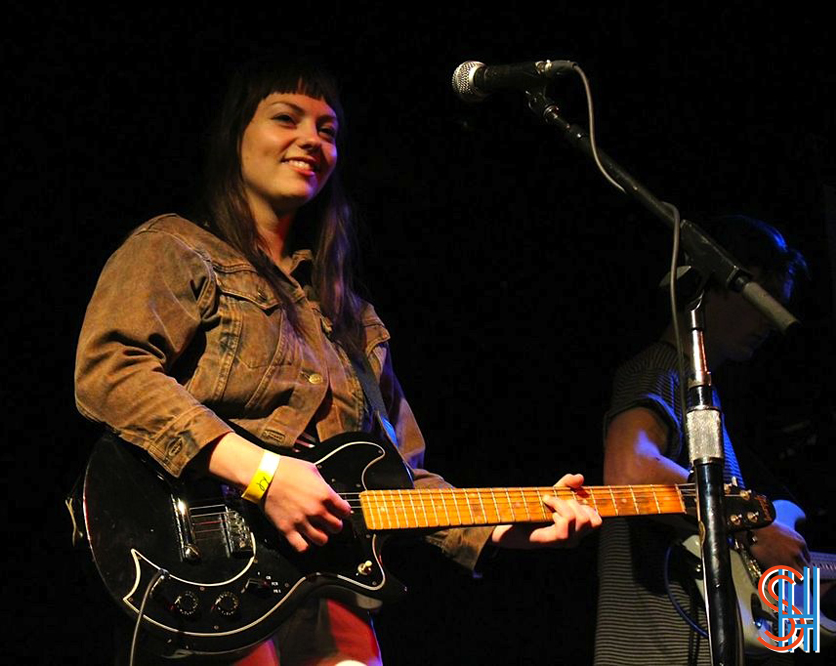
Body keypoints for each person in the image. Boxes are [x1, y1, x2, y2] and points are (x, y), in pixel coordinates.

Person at [75, 60, 601, 665]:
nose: (311, 140)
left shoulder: (351, 316)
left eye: (327, 129)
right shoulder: (175, 246)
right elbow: (110, 371)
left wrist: (510, 526)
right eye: (286, 118)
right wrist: (264, 474)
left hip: (325, 585)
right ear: (235, 136)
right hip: (203, 568)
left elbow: (402, 476)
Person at [593, 215, 811, 665]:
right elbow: (628, 471)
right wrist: (753, 525)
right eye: (761, 302)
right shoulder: (657, 369)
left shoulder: (701, 401)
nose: (769, 324)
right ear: (715, 287)